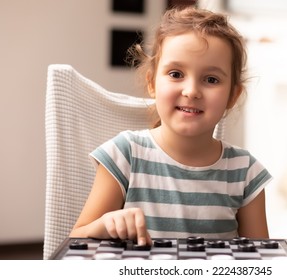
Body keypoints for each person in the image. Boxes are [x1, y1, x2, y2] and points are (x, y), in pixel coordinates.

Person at [69, 6, 272, 246]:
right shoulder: (124, 155)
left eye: (211, 79)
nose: (191, 91)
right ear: (152, 83)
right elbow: (76, 241)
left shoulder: (246, 172)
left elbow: (262, 257)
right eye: (176, 74)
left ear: (232, 96)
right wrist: (104, 227)